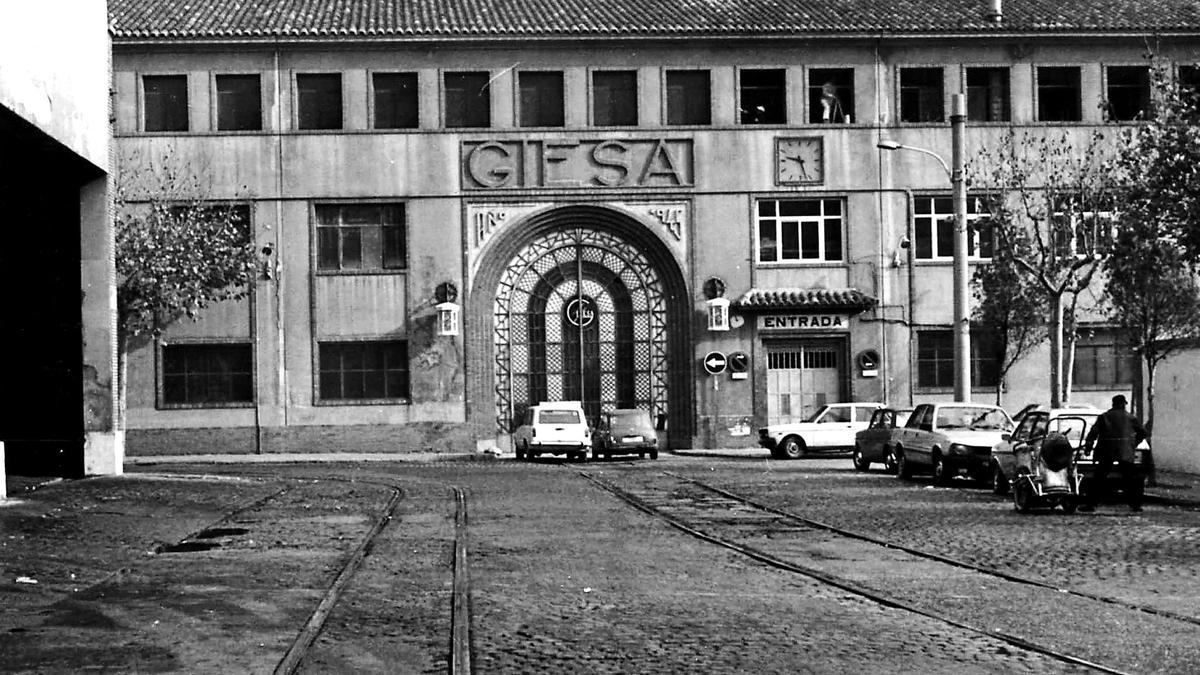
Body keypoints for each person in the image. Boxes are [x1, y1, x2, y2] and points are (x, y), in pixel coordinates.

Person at [1082, 394, 1148, 512]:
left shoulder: (1104, 417)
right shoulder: (1131, 418)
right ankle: (1135, 505)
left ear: (1113, 404)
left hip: (1107, 451)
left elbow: (1093, 433)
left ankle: (1091, 504)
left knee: (1099, 478)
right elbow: (1143, 432)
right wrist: (1133, 443)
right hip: (1125, 451)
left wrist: (1088, 446)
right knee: (1130, 479)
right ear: (1123, 404)